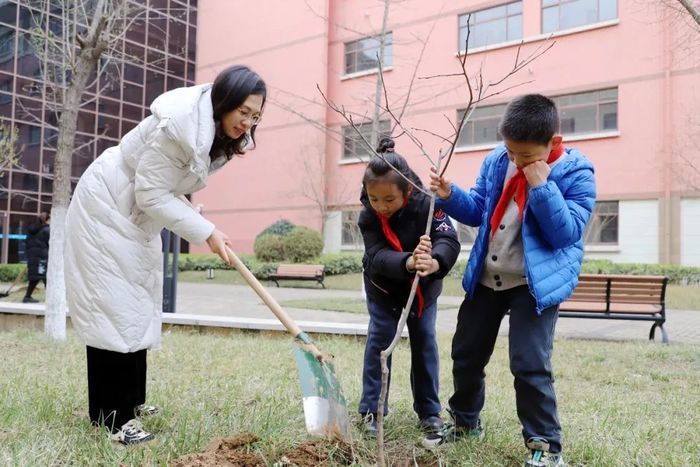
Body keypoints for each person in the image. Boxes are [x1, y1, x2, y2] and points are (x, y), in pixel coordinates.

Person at [64, 65, 266, 445]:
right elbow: (151, 193)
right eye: (244, 112)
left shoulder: (213, 134)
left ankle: (131, 402)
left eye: (256, 116)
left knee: (135, 304)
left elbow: (162, 191)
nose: (248, 122)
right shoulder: (180, 127)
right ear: (225, 101)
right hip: (106, 206)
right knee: (114, 308)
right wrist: (206, 232)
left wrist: (198, 222)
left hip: (133, 213)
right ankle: (113, 419)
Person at [423, 94, 596, 467]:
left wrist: (542, 185)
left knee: (529, 364)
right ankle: (466, 424)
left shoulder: (576, 172)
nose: (516, 161)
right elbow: (479, 211)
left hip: (534, 286)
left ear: (552, 141)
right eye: (510, 151)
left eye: (527, 156)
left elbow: (564, 234)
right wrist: (450, 196)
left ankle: (545, 447)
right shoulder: (496, 160)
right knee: (466, 354)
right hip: (488, 277)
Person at [357, 137, 460, 437]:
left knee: (425, 342)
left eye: (389, 200)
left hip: (422, 292)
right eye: (374, 199)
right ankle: (371, 412)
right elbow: (375, 256)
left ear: (408, 190)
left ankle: (429, 412)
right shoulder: (368, 216)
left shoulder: (428, 206)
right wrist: (408, 262)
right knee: (379, 345)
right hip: (383, 291)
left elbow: (448, 240)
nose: (381, 207)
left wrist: (435, 262)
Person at [23, 212, 50, 303]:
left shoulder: (31, 230)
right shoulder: (47, 230)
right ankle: (50, 298)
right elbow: (51, 244)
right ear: (47, 220)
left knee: (37, 277)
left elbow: (26, 243)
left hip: (33, 258)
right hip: (42, 258)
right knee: (46, 277)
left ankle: (27, 297)